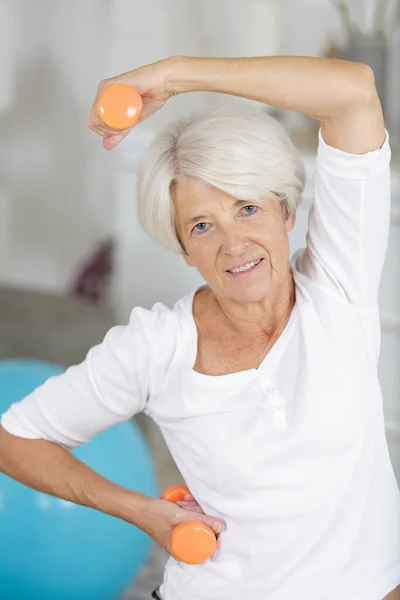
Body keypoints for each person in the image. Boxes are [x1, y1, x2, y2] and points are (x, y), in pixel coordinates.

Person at [0, 55, 399, 600]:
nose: (233, 244)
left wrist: (173, 77)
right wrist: (143, 513)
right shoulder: (158, 345)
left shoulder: (338, 282)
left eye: (248, 208)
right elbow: (15, 438)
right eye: (203, 225)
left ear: (287, 211)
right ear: (184, 248)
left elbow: (353, 92)